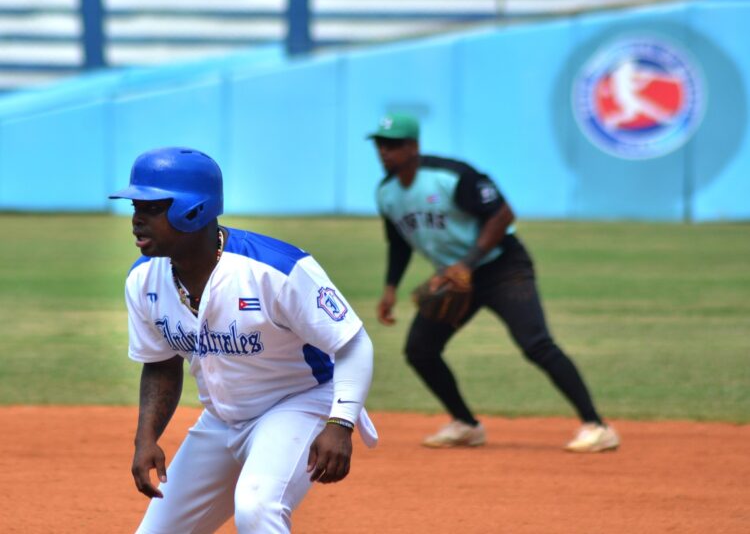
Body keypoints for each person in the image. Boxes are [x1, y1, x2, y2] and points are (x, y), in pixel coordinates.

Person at [110, 147, 377, 533]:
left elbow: (353, 343)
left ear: (193, 210)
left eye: (151, 208)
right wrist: (146, 438)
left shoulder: (275, 270)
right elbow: (161, 363)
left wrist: (340, 422)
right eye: (136, 206)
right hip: (222, 418)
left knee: (256, 508)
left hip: (298, 402)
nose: (136, 219)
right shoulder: (143, 280)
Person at [369, 113, 619, 452]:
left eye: (394, 145)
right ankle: (466, 425)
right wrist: (390, 288)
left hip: (502, 267)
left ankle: (597, 426)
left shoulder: (452, 176)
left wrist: (468, 264)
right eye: (381, 145)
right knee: (420, 350)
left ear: (413, 147)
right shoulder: (386, 193)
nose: (385, 152)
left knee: (536, 343)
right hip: (455, 280)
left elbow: (503, 215)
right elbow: (399, 241)